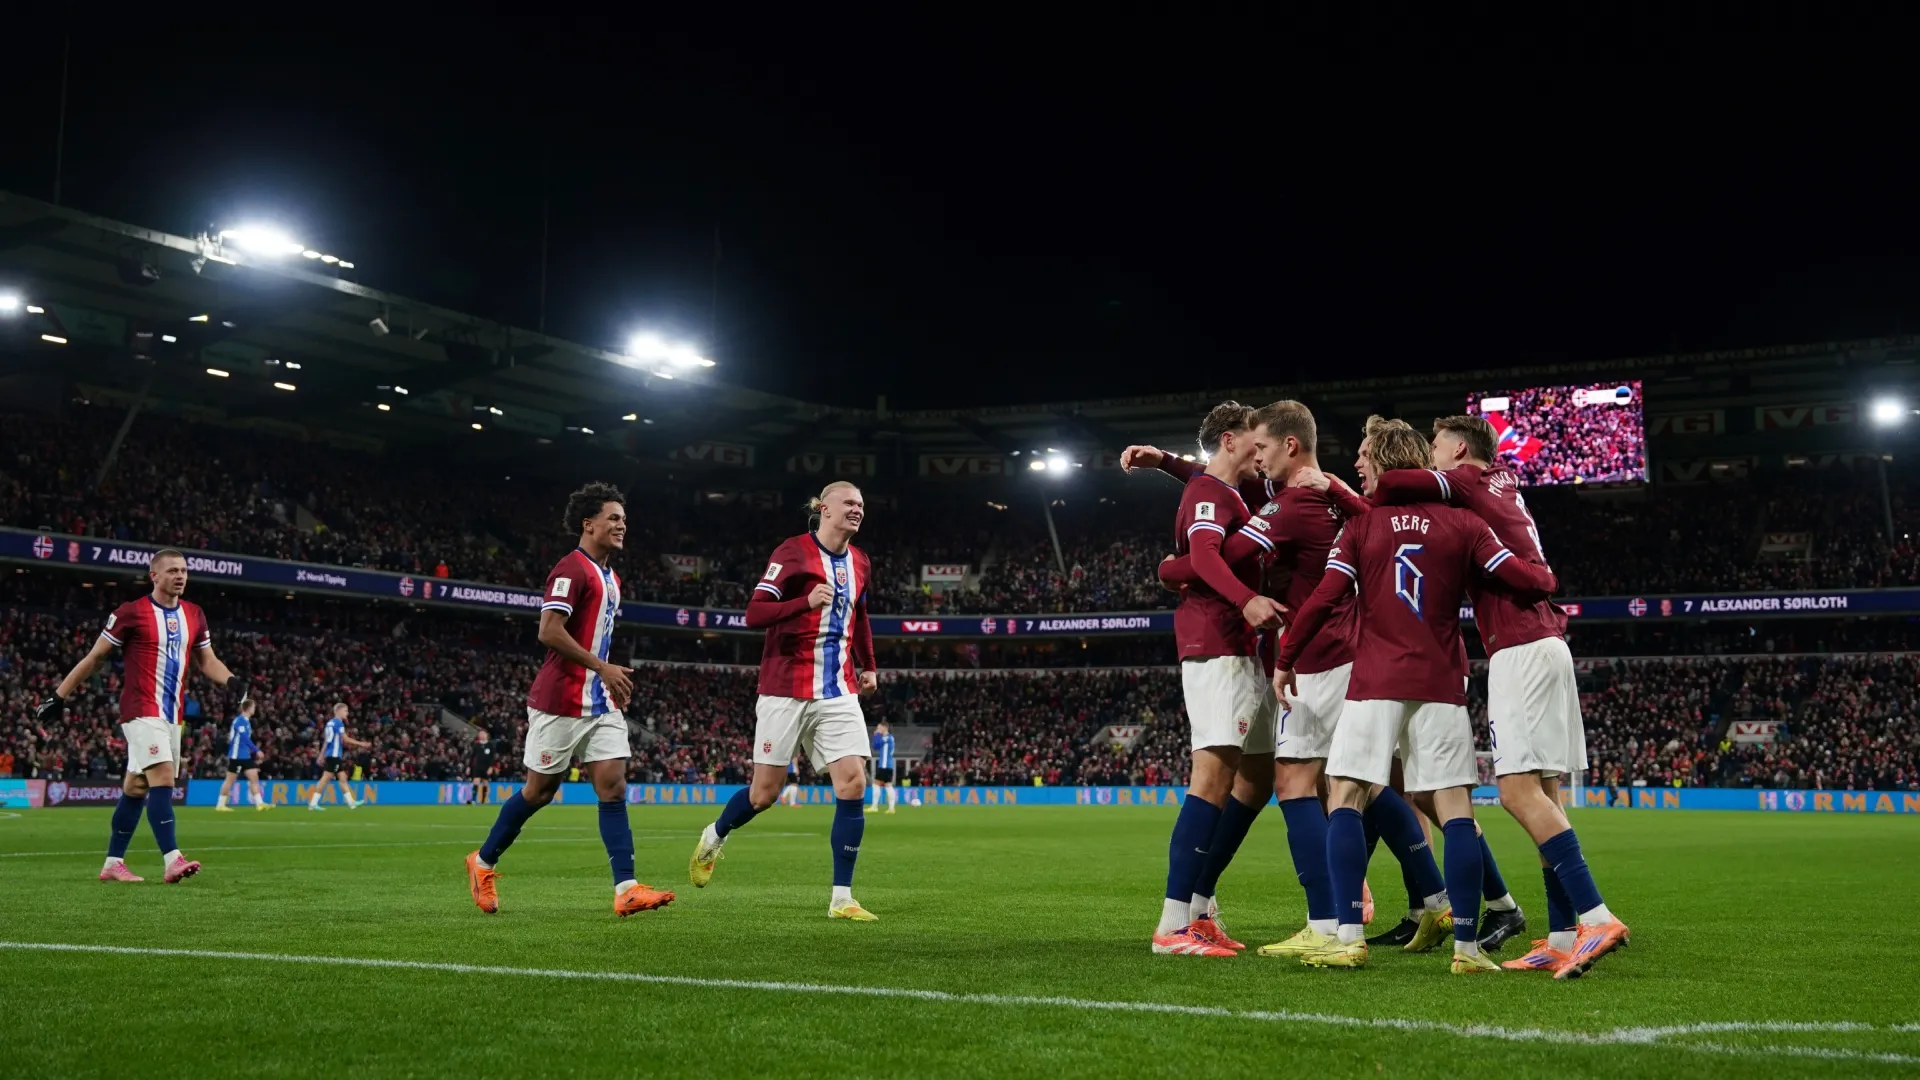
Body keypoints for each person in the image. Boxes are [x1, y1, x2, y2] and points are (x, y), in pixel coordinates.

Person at [1150, 402, 1451, 958]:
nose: (1258, 457)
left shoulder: (1290, 505)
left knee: (1294, 782)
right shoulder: (1335, 499)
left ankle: (1325, 921)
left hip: (1314, 657)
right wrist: (1172, 464)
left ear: (1289, 446)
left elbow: (1223, 553)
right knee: (1368, 780)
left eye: (1263, 447)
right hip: (1357, 649)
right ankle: (1434, 898)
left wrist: (1170, 568)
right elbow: (1218, 488)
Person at [1273, 422, 1559, 973]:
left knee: (1346, 796)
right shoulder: (1465, 522)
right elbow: (1526, 577)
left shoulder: (1360, 530)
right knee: (1454, 809)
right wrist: (1545, 579)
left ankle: (1349, 936)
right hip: (1441, 682)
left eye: (1363, 454)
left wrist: (1285, 660)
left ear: (1380, 459)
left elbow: (1323, 600)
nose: (1357, 463)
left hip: (1376, 677)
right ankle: (1470, 948)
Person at [1364, 414, 1631, 978]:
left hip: (1520, 648)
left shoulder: (1465, 481)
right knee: (1547, 795)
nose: (1431, 455)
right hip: (1548, 642)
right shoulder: (1507, 483)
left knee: (1514, 793)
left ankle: (1596, 914)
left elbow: (1393, 484)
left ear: (1459, 449)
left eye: (1435, 446)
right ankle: (1560, 936)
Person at [465, 481, 674, 918]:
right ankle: (482, 862)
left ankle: (627, 888)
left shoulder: (612, 577)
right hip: (559, 700)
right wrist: (602, 666)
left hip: (599, 703)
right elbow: (548, 631)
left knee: (612, 787)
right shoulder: (570, 569)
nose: (622, 524)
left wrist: (608, 676)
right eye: (613, 518)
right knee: (539, 792)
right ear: (588, 523)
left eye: (623, 518)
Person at [1120, 403, 1281, 957]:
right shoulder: (1212, 494)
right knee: (1211, 778)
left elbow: (1201, 490)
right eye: (1255, 444)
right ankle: (1173, 923)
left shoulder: (1224, 489)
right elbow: (1206, 556)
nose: (1262, 454)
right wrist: (1248, 598)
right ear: (1232, 440)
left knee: (1257, 778)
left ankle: (1201, 905)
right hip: (1217, 644)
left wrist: (1165, 460)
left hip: (1241, 649)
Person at [689, 481, 880, 921]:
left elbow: (861, 615)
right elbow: (754, 614)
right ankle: (715, 835)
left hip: (837, 688)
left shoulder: (861, 561)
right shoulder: (791, 553)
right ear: (823, 508)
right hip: (784, 687)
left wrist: (867, 664)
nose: (857, 510)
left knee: (853, 783)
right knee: (764, 794)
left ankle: (841, 898)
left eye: (861, 505)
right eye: (849, 503)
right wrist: (804, 601)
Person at [35, 548, 243, 883]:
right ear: (154, 576)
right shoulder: (132, 612)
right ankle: (172, 858)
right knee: (163, 777)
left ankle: (112, 863)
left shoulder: (194, 614)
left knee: (136, 787)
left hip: (170, 714)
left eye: (184, 571)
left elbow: (208, 660)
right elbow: (95, 657)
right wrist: (59, 695)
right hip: (141, 709)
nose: (180, 576)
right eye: (173, 570)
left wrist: (232, 680)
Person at [308, 703, 369, 811]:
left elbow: (327, 741)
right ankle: (313, 803)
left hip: (331, 755)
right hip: (335, 755)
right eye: (346, 711)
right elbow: (345, 739)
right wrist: (361, 744)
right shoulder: (338, 723)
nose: (347, 713)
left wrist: (321, 755)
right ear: (339, 711)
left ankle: (351, 803)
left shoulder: (329, 723)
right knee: (325, 778)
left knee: (343, 778)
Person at [217, 699, 268, 811]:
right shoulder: (240, 721)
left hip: (245, 756)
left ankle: (259, 804)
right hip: (237, 755)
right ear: (249, 708)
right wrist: (256, 750)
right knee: (230, 780)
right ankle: (220, 805)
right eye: (253, 707)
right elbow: (244, 738)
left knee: (254, 777)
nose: (255, 709)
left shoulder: (246, 721)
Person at [870, 720, 898, 814]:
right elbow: (875, 747)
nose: (877, 729)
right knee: (887, 785)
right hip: (887, 765)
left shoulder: (888, 738)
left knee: (878, 784)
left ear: (884, 728)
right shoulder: (887, 738)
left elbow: (877, 744)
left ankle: (875, 807)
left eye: (879, 728)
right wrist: (877, 736)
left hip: (885, 765)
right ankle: (891, 808)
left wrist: (877, 735)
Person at [468, 727, 496, 805]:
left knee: (485, 783)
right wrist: (469, 766)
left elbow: (492, 757)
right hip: (478, 766)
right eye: (480, 734)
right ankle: (473, 800)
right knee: (476, 782)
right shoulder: (476, 745)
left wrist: (491, 767)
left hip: (486, 767)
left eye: (483, 734)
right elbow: (472, 756)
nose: (482, 735)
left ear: (486, 735)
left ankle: (483, 801)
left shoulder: (490, 745)